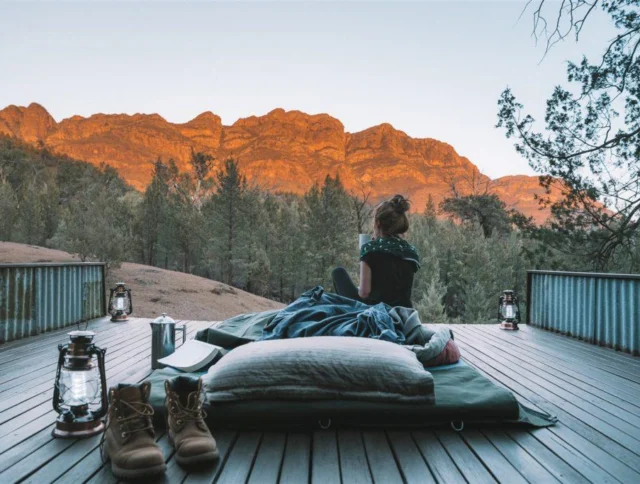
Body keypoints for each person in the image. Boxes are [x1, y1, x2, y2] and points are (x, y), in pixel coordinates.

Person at [332, 194, 420, 308]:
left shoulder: (370, 249)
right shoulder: (411, 251)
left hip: (375, 310)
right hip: (403, 310)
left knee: (338, 273)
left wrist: (369, 249)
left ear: (378, 223)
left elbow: (364, 293)